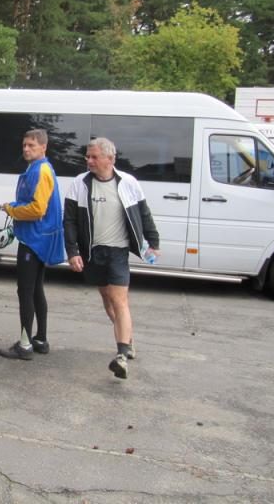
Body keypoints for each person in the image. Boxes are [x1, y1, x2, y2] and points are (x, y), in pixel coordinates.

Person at [63, 137, 160, 380]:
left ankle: (122, 355)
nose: (89, 161)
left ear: (110, 158)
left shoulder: (128, 183)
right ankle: (127, 338)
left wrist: (154, 242)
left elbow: (144, 214)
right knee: (107, 299)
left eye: (94, 157)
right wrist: (73, 252)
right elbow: (70, 221)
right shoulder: (80, 184)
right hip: (94, 252)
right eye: (88, 156)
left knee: (119, 299)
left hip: (118, 251)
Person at [0, 129, 64, 361]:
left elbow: (37, 209)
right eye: (24, 145)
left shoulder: (41, 170)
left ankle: (25, 346)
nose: (26, 149)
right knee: (36, 290)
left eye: (31, 145)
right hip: (39, 238)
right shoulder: (38, 167)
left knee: (25, 291)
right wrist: (13, 205)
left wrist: (11, 209)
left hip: (34, 240)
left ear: (43, 147)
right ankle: (41, 340)